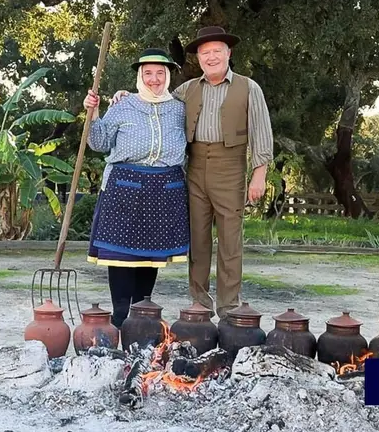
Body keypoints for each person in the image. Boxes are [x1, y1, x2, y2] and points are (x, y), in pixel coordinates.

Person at [101, 26, 274, 320]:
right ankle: (200, 302)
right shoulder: (187, 90)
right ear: (199, 58)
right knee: (198, 239)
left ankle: (229, 306)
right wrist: (125, 95)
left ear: (228, 54)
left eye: (216, 51)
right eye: (205, 53)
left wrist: (259, 174)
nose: (211, 57)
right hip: (193, 169)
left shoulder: (248, 87)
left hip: (230, 167)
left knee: (231, 240)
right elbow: (155, 99)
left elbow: (262, 131)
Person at [82, 48, 190, 329]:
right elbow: (100, 143)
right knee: (120, 256)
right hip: (124, 190)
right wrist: (92, 114)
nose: (154, 79)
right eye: (148, 73)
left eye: (160, 73)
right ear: (140, 76)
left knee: (150, 258)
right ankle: (120, 319)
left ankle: (142, 316)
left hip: (164, 189)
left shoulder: (180, 109)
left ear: (167, 76)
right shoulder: (123, 105)